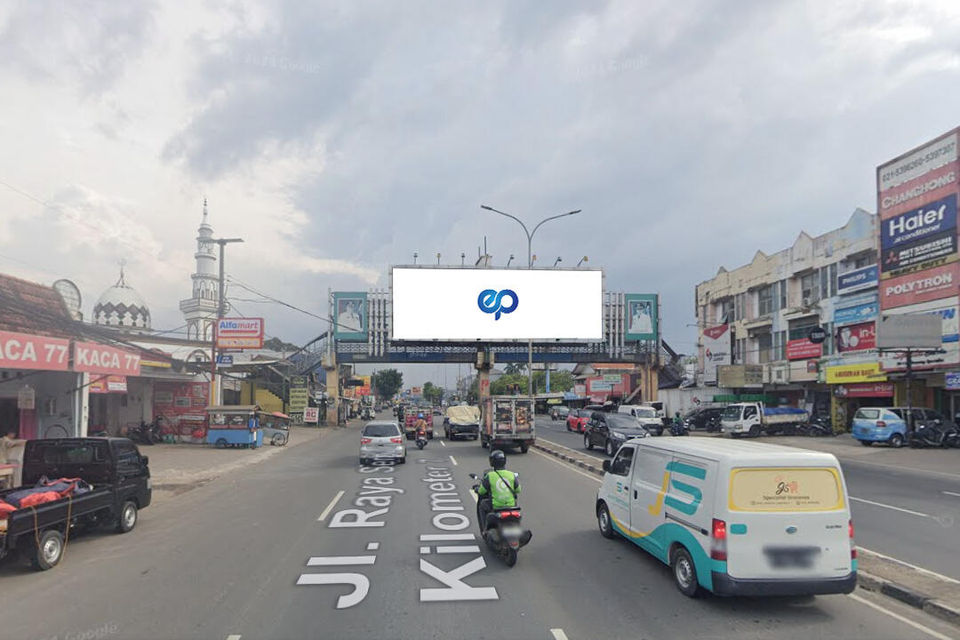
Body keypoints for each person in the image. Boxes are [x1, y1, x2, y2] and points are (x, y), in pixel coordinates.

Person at [475, 449, 520, 532]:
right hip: (511, 505)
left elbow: (481, 491)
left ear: (492, 462)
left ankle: (484, 529)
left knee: (482, 505)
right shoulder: (511, 475)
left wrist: (477, 489)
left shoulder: (490, 476)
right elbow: (518, 490)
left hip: (496, 506)